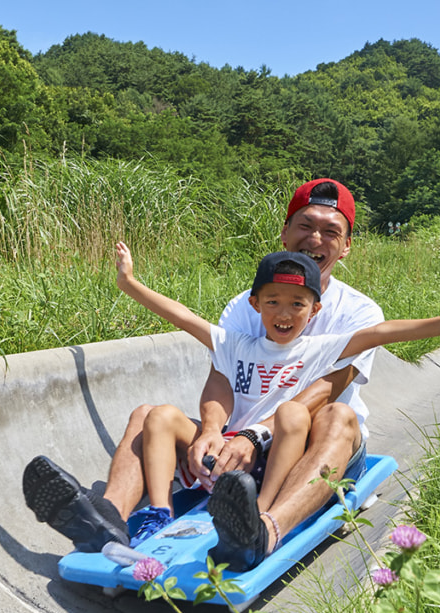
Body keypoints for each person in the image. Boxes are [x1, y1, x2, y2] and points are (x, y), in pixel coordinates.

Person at [24, 180, 396, 557]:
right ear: (285, 233)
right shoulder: (248, 304)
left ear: (346, 246)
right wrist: (214, 431)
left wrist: (254, 437)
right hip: (240, 447)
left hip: (311, 447)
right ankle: (105, 521)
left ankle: (264, 530)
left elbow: (325, 390)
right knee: (146, 416)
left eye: (331, 231)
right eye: (305, 225)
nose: (315, 238)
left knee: (338, 415)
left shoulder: (359, 312)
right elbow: (222, 377)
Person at [106, 240, 440, 570]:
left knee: (293, 411)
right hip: (229, 455)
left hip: (279, 459)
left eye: (298, 303)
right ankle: (157, 512)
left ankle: (257, 516)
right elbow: (182, 316)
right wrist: (130, 284)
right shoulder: (235, 343)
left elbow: (380, 333)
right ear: (255, 303)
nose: (284, 312)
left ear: (315, 311)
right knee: (158, 415)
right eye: (273, 301)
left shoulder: (321, 349)